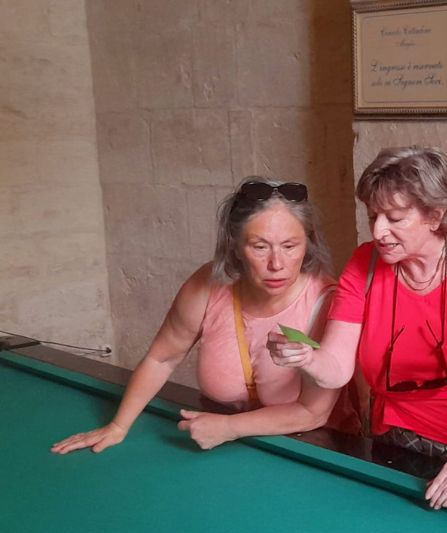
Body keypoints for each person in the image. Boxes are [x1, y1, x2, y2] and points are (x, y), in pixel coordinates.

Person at [266, 146, 447, 510]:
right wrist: (306, 357)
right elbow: (337, 368)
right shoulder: (363, 265)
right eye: (373, 215)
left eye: (395, 218)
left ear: (436, 215)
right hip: (398, 440)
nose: (378, 231)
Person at [52, 177, 355, 455]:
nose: (277, 263)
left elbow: (313, 412)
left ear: (308, 243)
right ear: (235, 246)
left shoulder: (328, 300)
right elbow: (162, 359)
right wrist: (118, 426)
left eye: (290, 246)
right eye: (260, 247)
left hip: (309, 450)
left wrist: (228, 428)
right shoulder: (207, 285)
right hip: (223, 444)